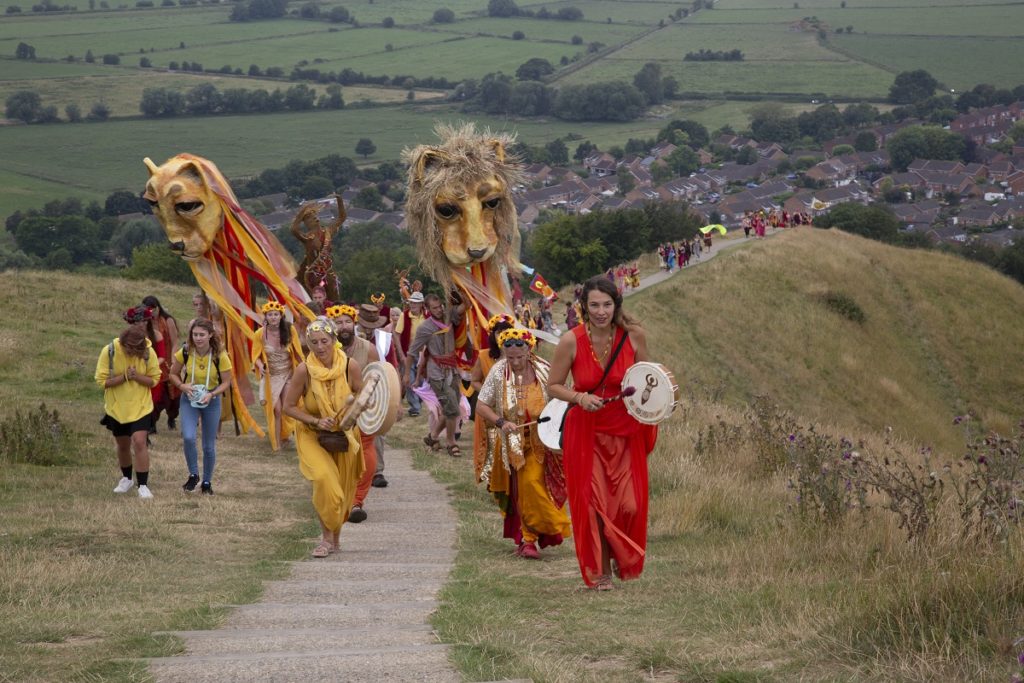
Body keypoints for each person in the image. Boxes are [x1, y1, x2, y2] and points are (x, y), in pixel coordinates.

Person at [546, 276, 658, 591]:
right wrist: (579, 398)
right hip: (587, 431)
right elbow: (553, 386)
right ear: (584, 307)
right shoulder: (571, 340)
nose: (601, 311)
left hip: (625, 430)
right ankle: (602, 570)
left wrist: (662, 396)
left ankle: (623, 560)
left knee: (628, 505)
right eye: (594, 304)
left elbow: (650, 379)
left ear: (616, 305)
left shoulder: (634, 337)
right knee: (594, 503)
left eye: (607, 304)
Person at [476, 328, 571, 559]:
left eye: (520, 356)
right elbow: (481, 406)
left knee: (535, 486)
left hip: (544, 440)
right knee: (524, 489)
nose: (516, 362)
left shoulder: (545, 369)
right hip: (514, 443)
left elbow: (562, 396)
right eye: (510, 358)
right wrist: (501, 422)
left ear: (529, 350)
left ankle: (540, 532)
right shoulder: (498, 372)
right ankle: (529, 540)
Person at [282, 317, 365, 557]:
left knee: (342, 489)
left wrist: (351, 415)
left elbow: (362, 397)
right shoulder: (304, 370)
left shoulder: (350, 366)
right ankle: (326, 540)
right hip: (312, 433)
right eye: (314, 342)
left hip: (343, 434)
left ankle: (335, 540)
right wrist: (316, 420)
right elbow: (289, 407)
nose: (320, 347)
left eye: (324, 341)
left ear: (334, 340)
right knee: (323, 480)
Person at [96, 314, 162, 499]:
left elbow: (154, 380)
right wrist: (124, 377)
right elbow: (102, 382)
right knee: (122, 445)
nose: (132, 354)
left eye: (136, 351)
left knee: (140, 442)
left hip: (141, 406)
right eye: (129, 351)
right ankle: (126, 479)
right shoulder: (109, 351)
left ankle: (143, 485)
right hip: (117, 407)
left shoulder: (148, 352)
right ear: (123, 345)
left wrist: (136, 377)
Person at [168, 319, 233, 495]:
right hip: (189, 398)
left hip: (211, 400)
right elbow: (172, 374)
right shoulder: (186, 352)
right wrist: (182, 386)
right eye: (195, 334)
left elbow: (227, 382)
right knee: (188, 437)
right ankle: (193, 474)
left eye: (201, 335)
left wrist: (212, 394)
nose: (198, 338)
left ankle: (206, 482)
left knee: (208, 445)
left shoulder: (220, 355)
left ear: (210, 335)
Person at [327, 304, 379, 523]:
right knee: (336, 454)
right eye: (338, 323)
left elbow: (380, 378)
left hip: (363, 411)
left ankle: (357, 501)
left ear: (354, 323)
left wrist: (390, 407)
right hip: (334, 411)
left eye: (347, 321)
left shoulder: (368, 348)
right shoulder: (324, 349)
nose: (344, 326)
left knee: (365, 452)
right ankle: (338, 497)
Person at [407, 293, 462, 457]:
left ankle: (432, 437)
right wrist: (406, 375)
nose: (438, 310)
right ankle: (451, 443)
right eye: (434, 308)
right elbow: (412, 352)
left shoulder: (449, 317)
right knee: (452, 409)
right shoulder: (425, 327)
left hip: (452, 369)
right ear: (427, 309)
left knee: (450, 408)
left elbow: (464, 306)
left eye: (440, 306)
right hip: (436, 372)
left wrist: (463, 287)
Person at [251, 300, 303, 451]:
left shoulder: (289, 330)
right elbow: (255, 355)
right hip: (271, 376)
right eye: (270, 315)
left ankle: (285, 435)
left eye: (276, 314)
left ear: (281, 316)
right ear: (265, 317)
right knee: (277, 409)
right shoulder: (259, 334)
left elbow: (298, 352)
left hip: (288, 374)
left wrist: (303, 370)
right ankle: (277, 443)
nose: (273, 317)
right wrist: (260, 366)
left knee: (288, 407)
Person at [142, 295, 180, 431]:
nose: (152, 312)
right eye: (148, 310)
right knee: (157, 395)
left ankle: (172, 417)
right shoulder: (145, 322)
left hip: (168, 360)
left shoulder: (168, 320)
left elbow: (175, 342)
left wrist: (173, 361)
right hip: (153, 360)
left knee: (174, 395)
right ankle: (152, 424)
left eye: (154, 309)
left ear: (158, 308)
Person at [395, 291, 427, 417]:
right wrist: (401, 354)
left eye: (416, 303)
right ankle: (415, 407)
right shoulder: (404, 315)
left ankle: (418, 401)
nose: (413, 305)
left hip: (424, 353)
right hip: (409, 353)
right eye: (411, 302)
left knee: (421, 380)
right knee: (409, 379)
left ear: (421, 304)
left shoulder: (427, 316)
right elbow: (397, 335)